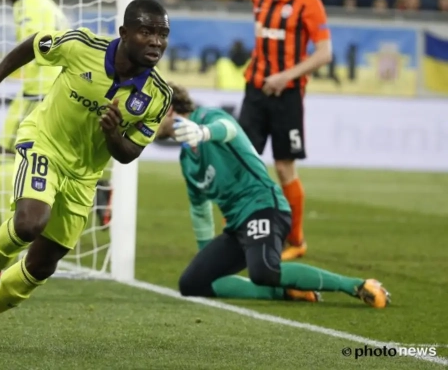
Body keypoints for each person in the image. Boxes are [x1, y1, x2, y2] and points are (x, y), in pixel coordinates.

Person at [0, 0, 172, 352]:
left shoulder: (158, 95)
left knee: (41, 266)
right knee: (29, 223)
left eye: (162, 35)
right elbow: (33, 44)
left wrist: (113, 135)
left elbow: (129, 154)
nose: (156, 42)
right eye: (146, 32)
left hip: (84, 177)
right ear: (124, 32)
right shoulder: (82, 46)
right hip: (45, 145)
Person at [156, 83, 390, 307]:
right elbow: (200, 209)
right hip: (237, 226)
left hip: (264, 206)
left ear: (169, 109)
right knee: (193, 283)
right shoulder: (187, 160)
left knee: (264, 271)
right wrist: (206, 257)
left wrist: (203, 132)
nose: (145, 123)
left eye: (150, 114)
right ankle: (287, 291)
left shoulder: (206, 117)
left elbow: (229, 129)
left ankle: (356, 285)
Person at [239, 0, 333, 260]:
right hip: (255, 91)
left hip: (288, 95)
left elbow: (324, 53)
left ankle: (296, 240)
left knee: (284, 168)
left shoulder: (309, 3)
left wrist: (286, 76)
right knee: (242, 165)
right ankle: (237, 233)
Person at [0, 0, 70, 224]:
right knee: (50, 159)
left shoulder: (26, 4)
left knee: (6, 154)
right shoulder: (48, 3)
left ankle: (9, 230)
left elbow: (32, 46)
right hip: (57, 87)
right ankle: (99, 189)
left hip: (39, 91)